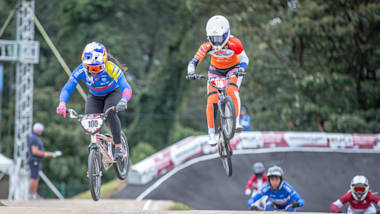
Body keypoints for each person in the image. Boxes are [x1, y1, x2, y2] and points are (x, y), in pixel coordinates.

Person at [56, 42, 132, 160]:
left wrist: (124, 100)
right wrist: (62, 103)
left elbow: (126, 87)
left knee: (110, 111)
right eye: (90, 68)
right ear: (84, 65)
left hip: (113, 93)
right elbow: (67, 88)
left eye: (97, 68)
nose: (93, 72)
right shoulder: (80, 70)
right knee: (90, 120)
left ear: (104, 63)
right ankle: (95, 160)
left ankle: (118, 146)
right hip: (95, 96)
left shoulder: (111, 68)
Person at [187, 15, 249, 146]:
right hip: (215, 70)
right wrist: (191, 71)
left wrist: (242, 69)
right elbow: (195, 60)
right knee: (212, 100)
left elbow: (245, 59)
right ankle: (211, 133)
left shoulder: (235, 43)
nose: (216, 42)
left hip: (234, 68)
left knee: (232, 90)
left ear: (226, 34)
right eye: (213, 38)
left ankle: (236, 122)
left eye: (219, 38)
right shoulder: (207, 45)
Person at [27, 123, 61, 200]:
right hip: (34, 160)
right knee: (34, 177)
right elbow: (35, 151)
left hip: (35, 160)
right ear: (38, 130)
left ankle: (33, 194)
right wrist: (47, 154)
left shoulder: (34, 138)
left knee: (35, 177)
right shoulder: (34, 138)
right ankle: (31, 195)